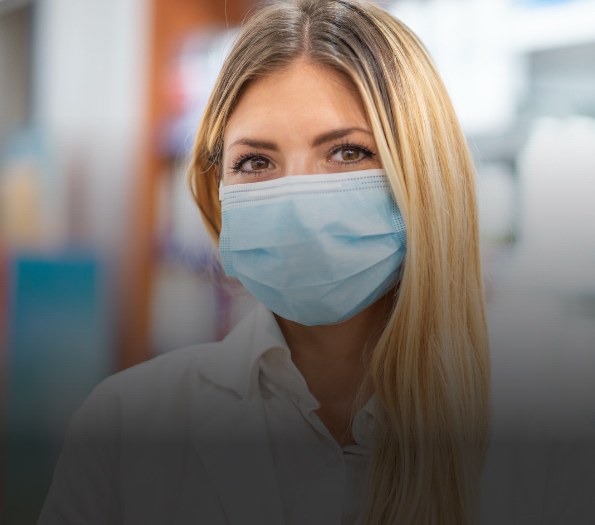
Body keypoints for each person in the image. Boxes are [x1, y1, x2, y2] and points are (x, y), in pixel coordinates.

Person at [38, 1, 595, 524]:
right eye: (255, 161)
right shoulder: (121, 427)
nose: (299, 199)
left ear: (425, 176)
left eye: (348, 152)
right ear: (217, 190)